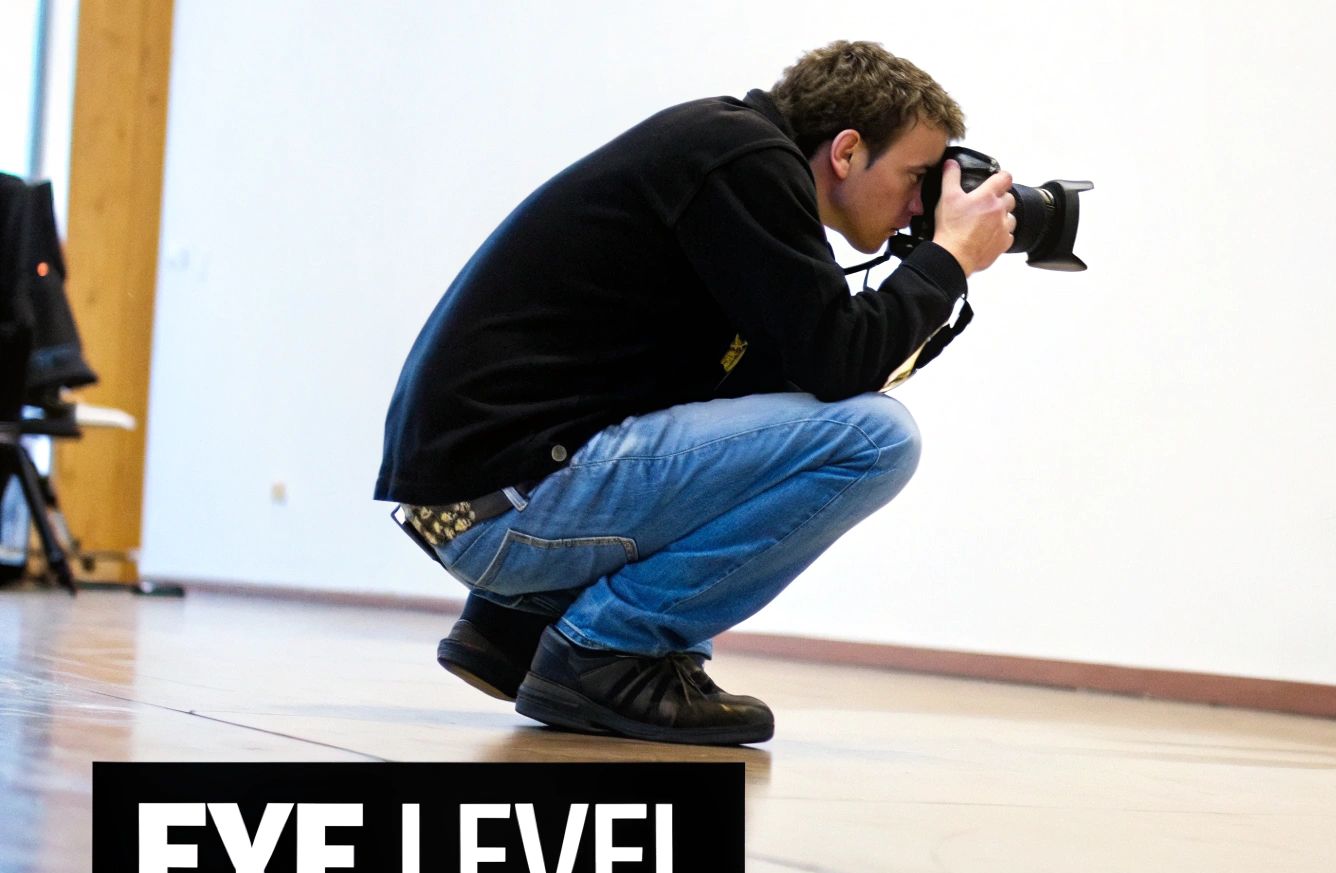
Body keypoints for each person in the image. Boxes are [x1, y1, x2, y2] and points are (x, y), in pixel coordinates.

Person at [375, 41, 1015, 746]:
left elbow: (805, 376)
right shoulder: (743, 161)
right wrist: (947, 259)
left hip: (484, 496)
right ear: (847, 150)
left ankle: (516, 623)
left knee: (790, 411)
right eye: (917, 177)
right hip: (505, 503)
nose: (920, 206)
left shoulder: (726, 158)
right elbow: (842, 364)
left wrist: (929, 277)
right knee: (876, 440)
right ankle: (611, 651)